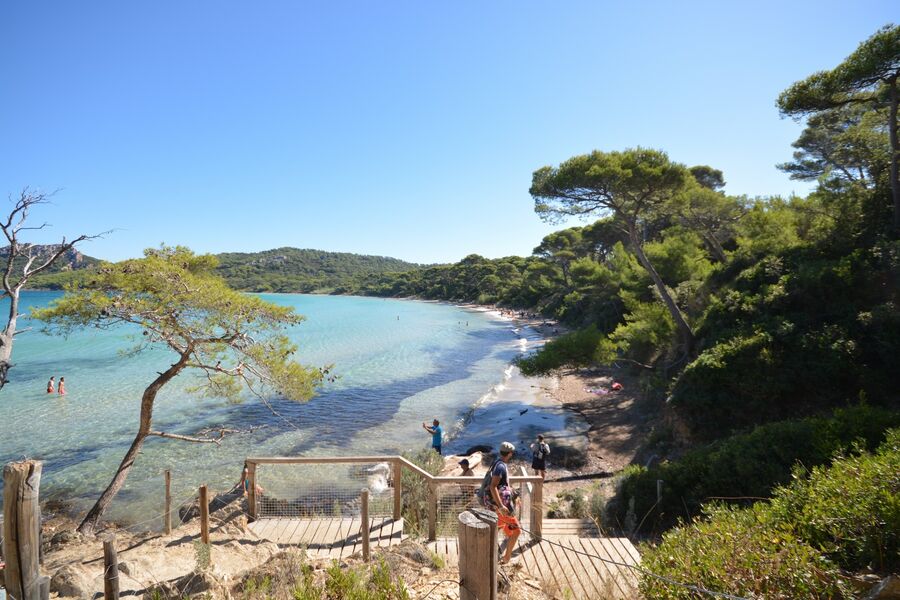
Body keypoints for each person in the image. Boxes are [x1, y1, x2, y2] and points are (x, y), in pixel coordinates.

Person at [486, 441, 520, 564]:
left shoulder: (497, 462)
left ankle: (494, 556)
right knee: (516, 531)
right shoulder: (500, 466)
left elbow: (501, 485)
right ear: (510, 453)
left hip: (499, 506)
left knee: (501, 529)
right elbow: (493, 486)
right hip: (502, 508)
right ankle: (506, 559)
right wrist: (501, 506)